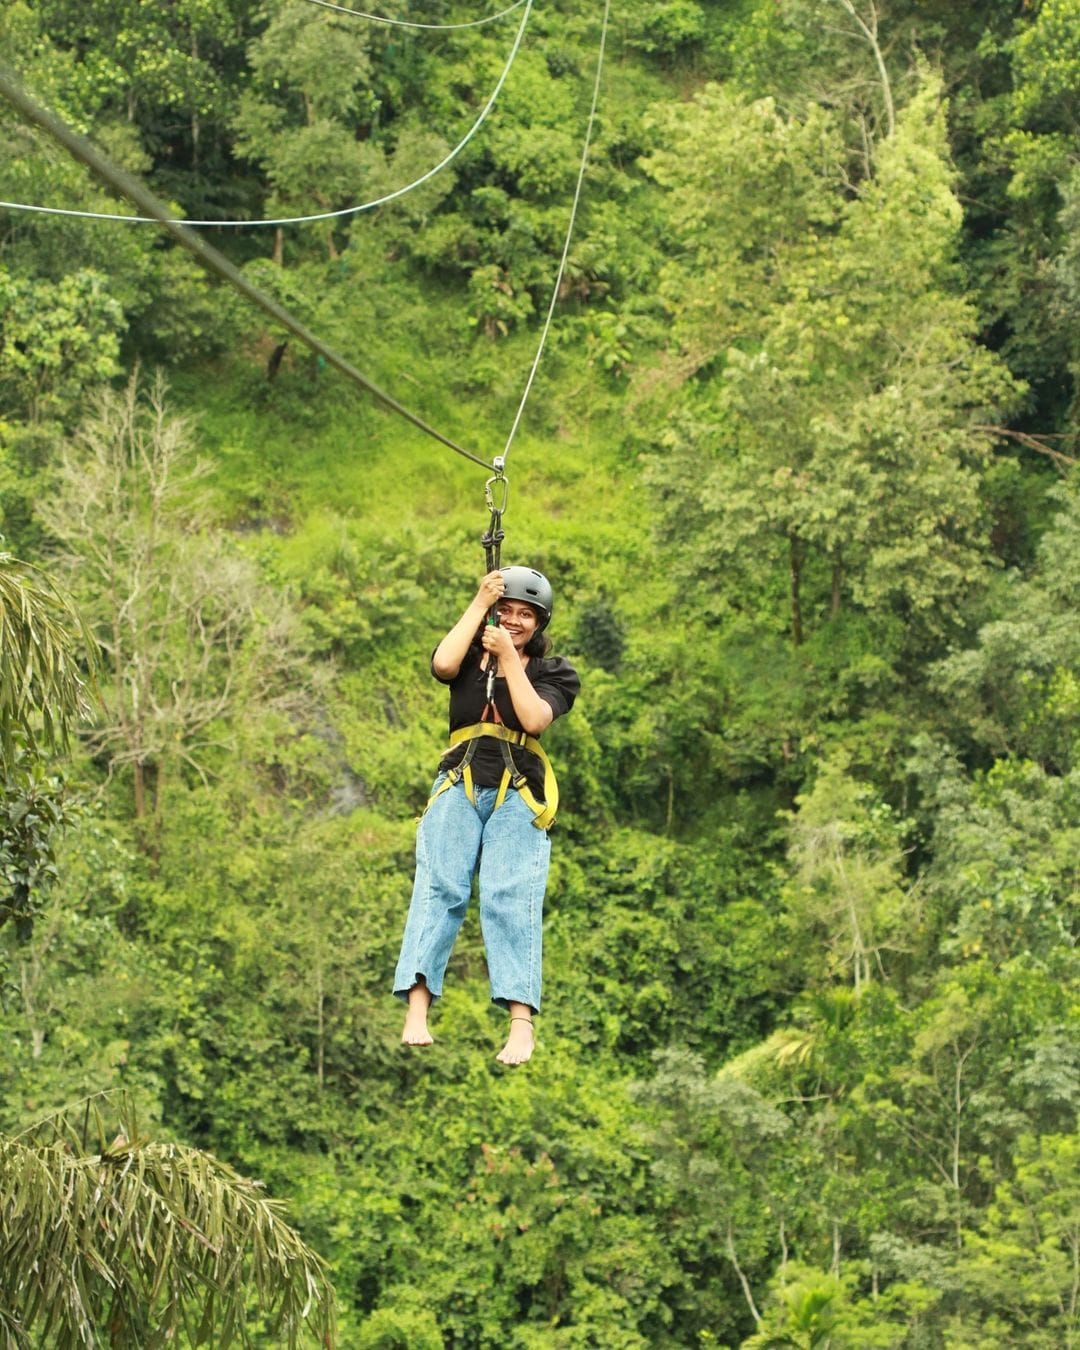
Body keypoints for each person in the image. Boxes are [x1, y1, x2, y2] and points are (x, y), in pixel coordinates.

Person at [393, 566, 579, 1065]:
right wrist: (480, 605)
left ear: (539, 625)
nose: (516, 621)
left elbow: (535, 718)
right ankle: (417, 1008)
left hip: (519, 787)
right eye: (509, 612)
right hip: (460, 776)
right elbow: (442, 666)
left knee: (508, 894)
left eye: (526, 616)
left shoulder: (554, 671)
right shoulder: (473, 652)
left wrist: (508, 658)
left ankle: (521, 1025)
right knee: (440, 888)